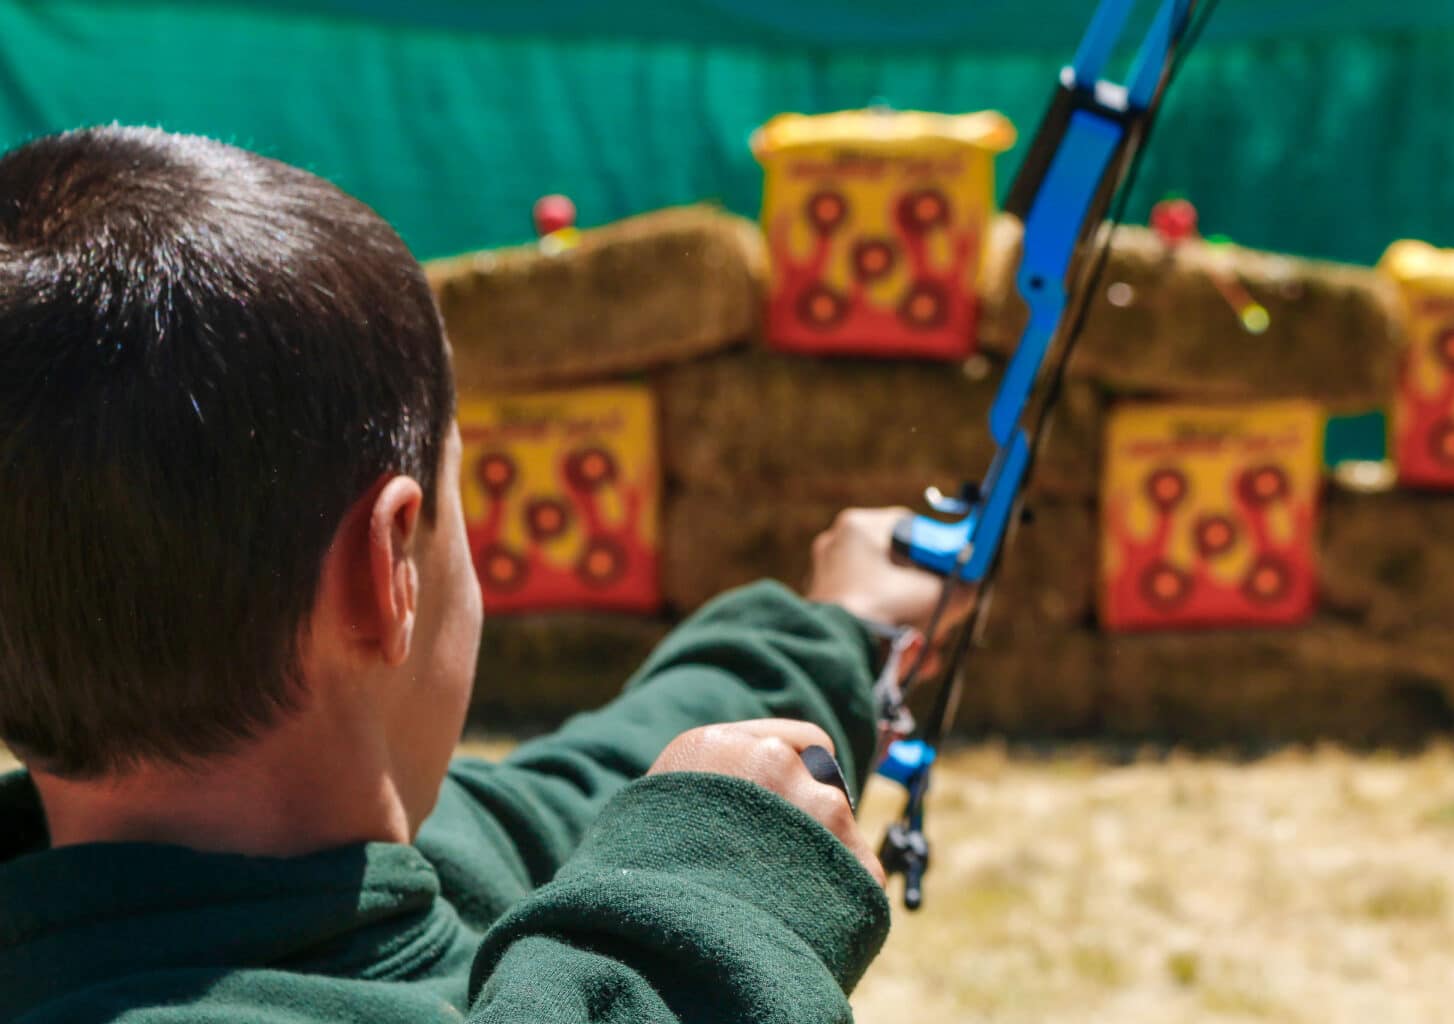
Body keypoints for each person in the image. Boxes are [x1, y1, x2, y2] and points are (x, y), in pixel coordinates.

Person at [0, 126, 966, 1023]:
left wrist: (838, 624)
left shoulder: (363, 861)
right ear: (389, 569)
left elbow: (585, 788)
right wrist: (712, 906)